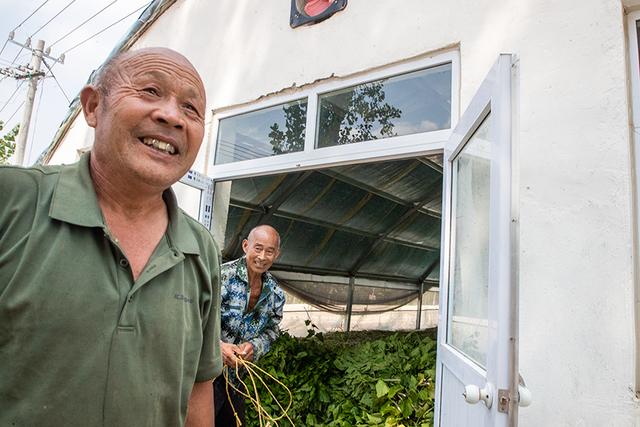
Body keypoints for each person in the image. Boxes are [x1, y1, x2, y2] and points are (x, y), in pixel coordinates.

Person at [0, 47, 221, 427]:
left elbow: (198, 390)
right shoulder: (12, 202)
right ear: (92, 107)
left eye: (191, 109)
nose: (172, 116)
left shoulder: (201, 250)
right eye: (150, 91)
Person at [214, 225, 286, 426]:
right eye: (258, 248)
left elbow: (273, 330)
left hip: (237, 379)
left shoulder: (275, 294)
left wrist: (255, 346)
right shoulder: (220, 277)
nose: (262, 256)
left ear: (276, 255)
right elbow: (194, 320)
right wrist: (217, 346)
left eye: (269, 251)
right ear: (246, 246)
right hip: (204, 375)